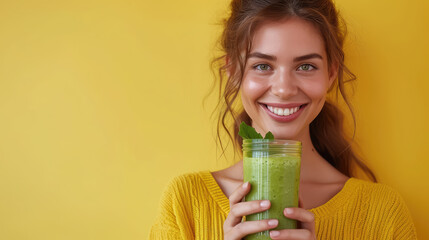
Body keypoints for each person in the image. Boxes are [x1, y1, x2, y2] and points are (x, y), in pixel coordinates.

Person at [149, 0, 417, 239]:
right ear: (233, 72)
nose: (284, 88)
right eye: (262, 66)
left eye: (306, 66)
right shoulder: (185, 203)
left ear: (331, 74)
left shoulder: (382, 214)